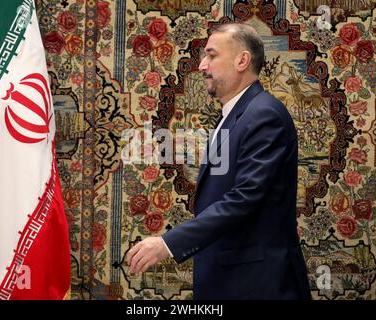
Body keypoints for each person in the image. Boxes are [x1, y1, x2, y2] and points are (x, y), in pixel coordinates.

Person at [126, 23, 311, 300]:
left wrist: (168, 243)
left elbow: (244, 198)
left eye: (212, 55)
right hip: (231, 281)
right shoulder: (237, 114)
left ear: (242, 60)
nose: (202, 65)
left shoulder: (264, 115)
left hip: (258, 285)